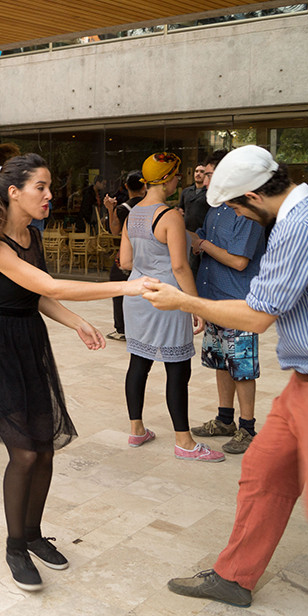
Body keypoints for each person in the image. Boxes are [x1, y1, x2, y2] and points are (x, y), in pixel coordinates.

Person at [147, 145, 308, 610]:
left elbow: (255, 316)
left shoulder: (299, 228)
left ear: (253, 196)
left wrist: (183, 301)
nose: (239, 216)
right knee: (262, 471)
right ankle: (234, 576)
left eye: (234, 206)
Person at [0, 153, 151, 591]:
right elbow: (51, 285)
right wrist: (129, 284)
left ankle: (32, 534)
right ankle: (13, 546)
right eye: (40, 187)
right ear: (14, 192)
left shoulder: (31, 236)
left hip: (28, 344)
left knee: (43, 448)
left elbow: (39, 296)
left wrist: (78, 321)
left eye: (49, 187)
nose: (50, 195)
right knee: (24, 452)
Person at [119, 153, 223, 462]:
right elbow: (180, 267)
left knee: (139, 363)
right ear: (166, 179)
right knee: (177, 369)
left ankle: (137, 429)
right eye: (177, 175)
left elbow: (125, 262)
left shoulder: (133, 213)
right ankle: (184, 442)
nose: (180, 179)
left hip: (137, 295)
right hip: (167, 297)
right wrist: (197, 306)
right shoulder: (169, 217)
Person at [187, 159, 266, 454]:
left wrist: (204, 245)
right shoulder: (216, 209)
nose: (206, 180)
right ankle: (225, 419)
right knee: (221, 361)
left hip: (238, 302)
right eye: (205, 175)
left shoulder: (246, 212)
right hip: (213, 298)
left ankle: (247, 427)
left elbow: (238, 260)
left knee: (242, 368)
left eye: (211, 175)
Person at [102, 171, 147, 341]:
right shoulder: (152, 207)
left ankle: (122, 329)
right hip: (147, 254)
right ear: (145, 186)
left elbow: (115, 231)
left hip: (128, 255)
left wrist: (110, 209)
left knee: (118, 285)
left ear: (126, 186)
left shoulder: (124, 208)